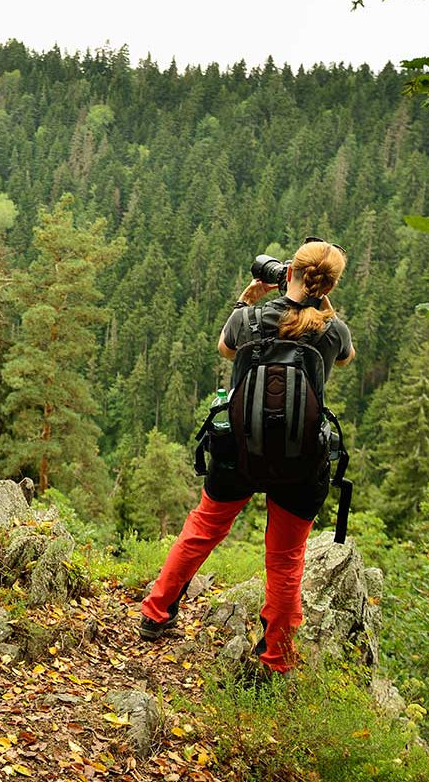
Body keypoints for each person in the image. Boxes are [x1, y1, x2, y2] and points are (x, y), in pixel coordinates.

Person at [137, 238, 354, 678]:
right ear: (328, 283)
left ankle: (156, 612)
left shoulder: (248, 318)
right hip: (300, 461)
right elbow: (347, 359)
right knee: (286, 559)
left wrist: (246, 299)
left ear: (288, 269)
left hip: (239, 450)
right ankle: (276, 658)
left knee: (203, 528)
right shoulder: (333, 330)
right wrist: (322, 303)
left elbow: (225, 348)